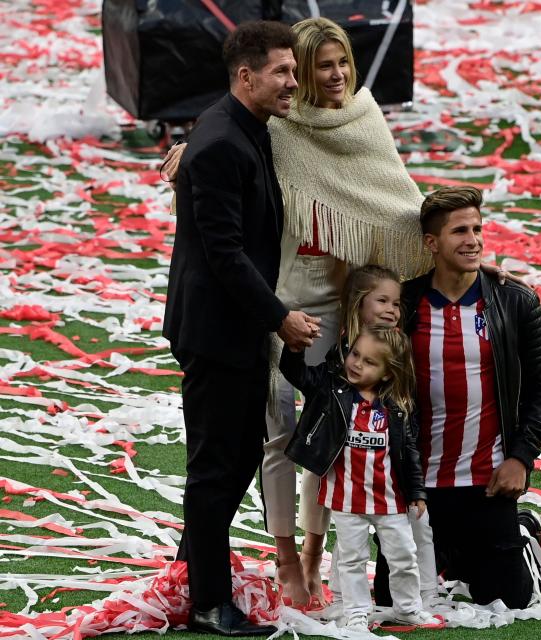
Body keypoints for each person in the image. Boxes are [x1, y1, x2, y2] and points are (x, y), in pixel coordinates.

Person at [160, 17, 510, 607]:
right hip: (273, 297)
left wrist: (465, 259)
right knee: (275, 437)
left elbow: (400, 206)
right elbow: (225, 148)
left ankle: (316, 556)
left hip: (336, 303)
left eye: (340, 62)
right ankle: (285, 560)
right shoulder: (277, 124)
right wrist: (188, 151)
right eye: (315, 65)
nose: (331, 75)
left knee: (335, 432)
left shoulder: (364, 121)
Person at [162, 21, 320, 636]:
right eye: (282, 71)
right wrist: (280, 317)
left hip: (229, 328)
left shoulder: (240, 127)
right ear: (245, 76)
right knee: (218, 466)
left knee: (228, 462)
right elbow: (224, 253)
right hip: (214, 331)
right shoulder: (224, 141)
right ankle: (207, 602)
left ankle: (190, 572)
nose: (293, 82)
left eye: (293, 69)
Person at [400, 186, 541, 609]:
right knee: (396, 600)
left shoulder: (516, 301)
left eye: (477, 229)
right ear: (431, 244)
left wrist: (521, 458)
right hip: (418, 485)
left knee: (510, 599)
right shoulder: (403, 304)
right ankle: (454, 555)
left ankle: (519, 532)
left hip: (487, 481)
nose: (472, 240)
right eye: (459, 232)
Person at [279, 325, 441, 632]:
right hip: (346, 500)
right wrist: (295, 348)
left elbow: (409, 451)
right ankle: (355, 611)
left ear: (387, 373)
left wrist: (417, 491)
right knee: (351, 560)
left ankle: (408, 607)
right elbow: (296, 373)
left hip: (391, 500)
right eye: (355, 354)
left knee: (404, 556)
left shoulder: (397, 405)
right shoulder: (331, 389)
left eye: (369, 361)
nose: (356, 363)